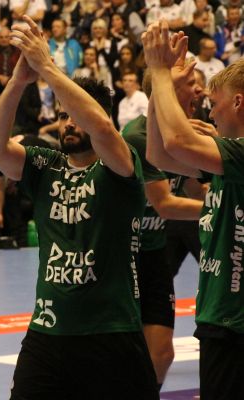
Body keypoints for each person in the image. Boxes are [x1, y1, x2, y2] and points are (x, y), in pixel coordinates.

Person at [0, 15, 158, 400]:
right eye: (62, 115)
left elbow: (102, 128)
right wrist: (19, 80)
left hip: (111, 333)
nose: (68, 123)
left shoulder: (120, 166)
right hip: (48, 331)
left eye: (76, 115)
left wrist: (47, 66)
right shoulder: (46, 165)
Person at [143, 20, 244, 399]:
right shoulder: (227, 157)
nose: (211, 114)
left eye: (215, 105)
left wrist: (158, 72)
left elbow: (177, 141)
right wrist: (160, 91)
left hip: (235, 321)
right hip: (220, 314)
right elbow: (159, 154)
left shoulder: (239, 153)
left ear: (238, 103)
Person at [122, 52, 205, 388]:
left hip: (154, 251)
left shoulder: (184, 134)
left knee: (161, 353)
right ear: (166, 90)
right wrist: (222, 208)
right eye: (190, 83)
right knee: (121, 352)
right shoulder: (138, 136)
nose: (199, 90)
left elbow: (194, 188)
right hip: (122, 256)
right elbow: (165, 205)